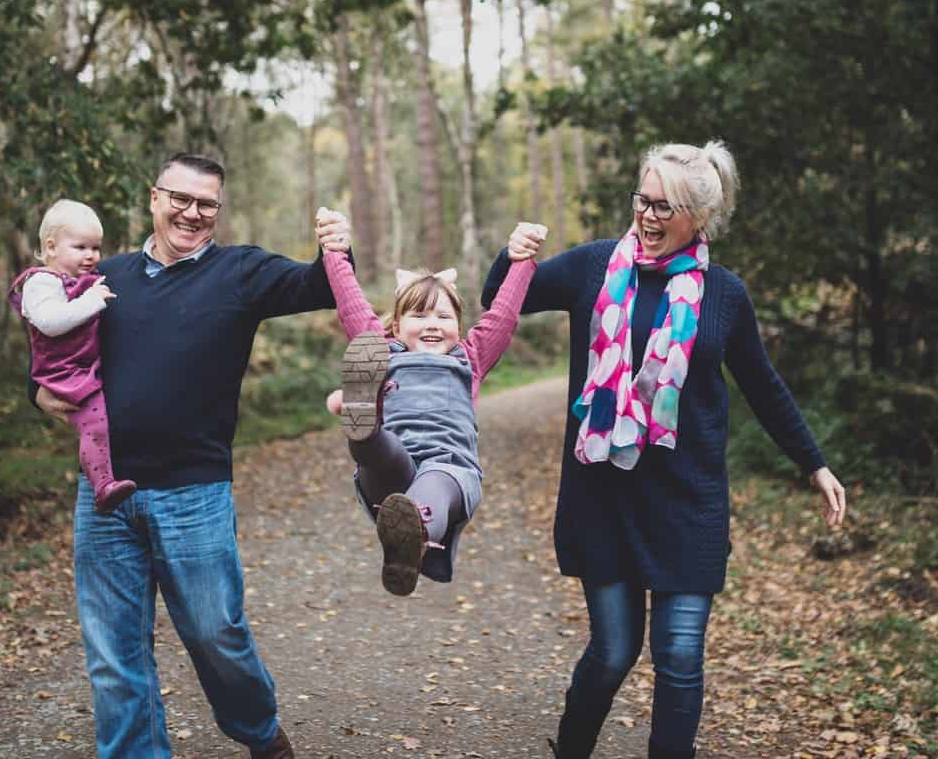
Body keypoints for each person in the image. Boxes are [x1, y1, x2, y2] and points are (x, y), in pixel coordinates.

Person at [480, 141, 846, 759]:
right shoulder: (594, 266)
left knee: (678, 656)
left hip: (687, 501)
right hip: (604, 495)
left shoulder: (723, 295)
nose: (648, 216)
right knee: (613, 652)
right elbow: (502, 298)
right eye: (643, 201)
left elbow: (762, 384)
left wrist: (815, 463)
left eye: (664, 207)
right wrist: (512, 255)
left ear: (699, 217)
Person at [32, 153, 344, 759]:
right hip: (104, 493)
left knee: (214, 633)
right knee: (114, 654)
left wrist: (335, 246)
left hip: (193, 492)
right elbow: (50, 340)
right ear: (155, 198)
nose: (192, 213)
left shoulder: (240, 272)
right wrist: (37, 391)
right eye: (180, 198)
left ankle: (259, 730)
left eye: (206, 204)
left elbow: (320, 285)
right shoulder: (106, 279)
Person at [314, 208, 545, 595]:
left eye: (444, 316)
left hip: (450, 466)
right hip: (393, 464)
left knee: (434, 485)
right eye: (419, 316)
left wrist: (523, 260)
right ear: (396, 326)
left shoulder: (470, 358)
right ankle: (362, 421)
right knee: (379, 450)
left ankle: (410, 537)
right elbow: (351, 304)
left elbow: (504, 315)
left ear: (459, 326)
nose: (433, 324)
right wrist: (334, 251)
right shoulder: (382, 350)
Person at [9, 199, 134, 514]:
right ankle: (103, 486)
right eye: (80, 247)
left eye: (96, 248)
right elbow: (51, 323)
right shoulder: (41, 283)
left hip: (83, 364)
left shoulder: (81, 281)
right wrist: (92, 301)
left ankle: (105, 483)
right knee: (94, 423)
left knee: (98, 421)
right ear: (51, 247)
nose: (91, 255)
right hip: (61, 370)